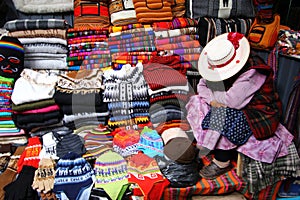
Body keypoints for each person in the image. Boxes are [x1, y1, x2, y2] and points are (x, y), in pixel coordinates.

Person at [186, 32, 300, 181]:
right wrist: (212, 100)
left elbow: (231, 102)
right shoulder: (217, 66)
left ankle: (222, 160)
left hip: (258, 113)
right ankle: (206, 143)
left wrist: (213, 97)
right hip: (229, 103)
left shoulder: (252, 72)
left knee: (224, 114)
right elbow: (202, 86)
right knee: (196, 101)